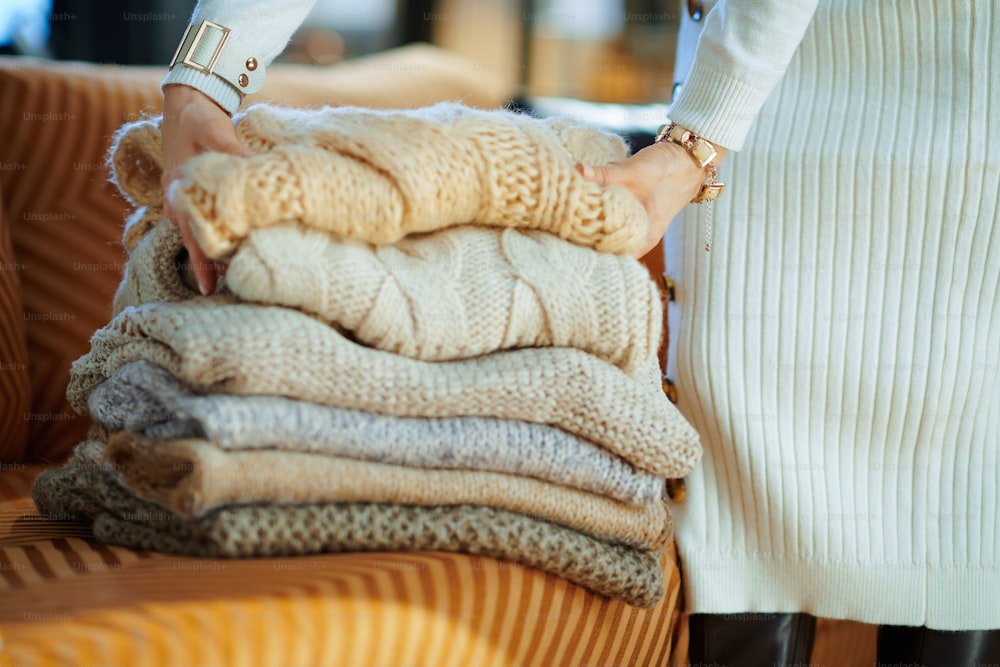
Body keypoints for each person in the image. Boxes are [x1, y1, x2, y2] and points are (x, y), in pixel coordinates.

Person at [162, 1, 1000, 664]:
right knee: (746, 504)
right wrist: (203, 82)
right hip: (751, 126)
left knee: (958, 522)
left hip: (938, 99)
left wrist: (691, 147)